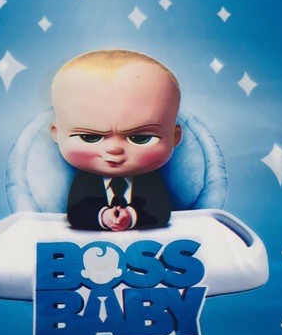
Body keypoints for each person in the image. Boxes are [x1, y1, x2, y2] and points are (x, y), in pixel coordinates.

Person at [50, 49, 183, 231]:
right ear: (56, 134)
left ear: (175, 136)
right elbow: (77, 212)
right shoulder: (85, 181)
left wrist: (132, 216)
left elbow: (159, 211)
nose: (114, 149)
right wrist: (103, 216)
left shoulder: (150, 181)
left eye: (140, 138)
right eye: (90, 137)